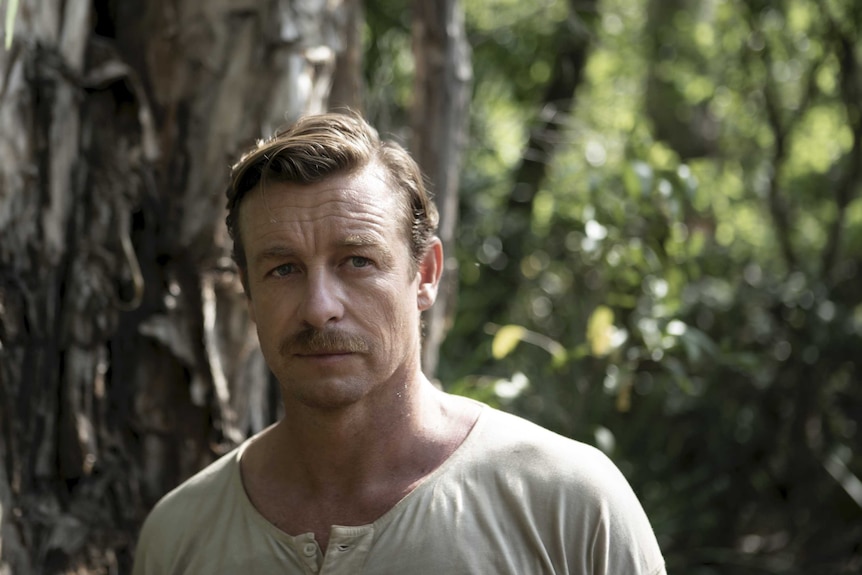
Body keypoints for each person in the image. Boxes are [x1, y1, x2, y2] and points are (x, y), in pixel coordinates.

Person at [132, 111, 666, 575]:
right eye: (283, 269)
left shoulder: (566, 503)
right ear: (248, 291)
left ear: (426, 274)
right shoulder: (180, 535)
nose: (320, 307)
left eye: (357, 261)